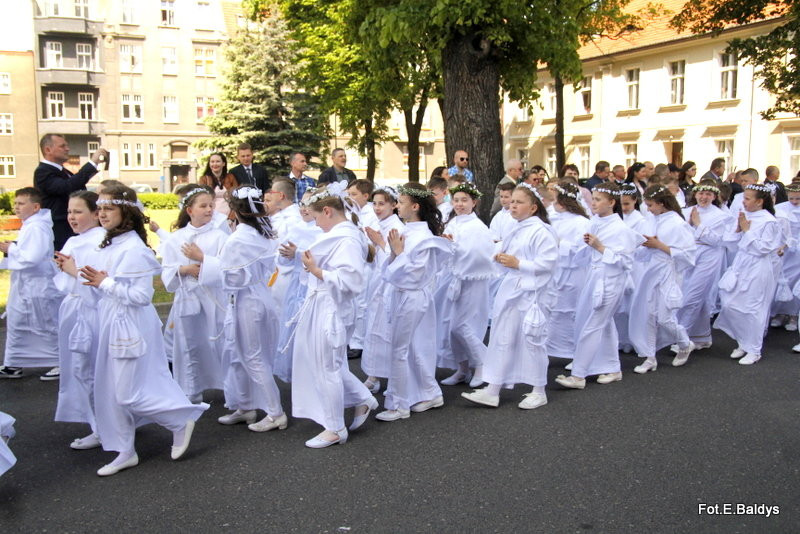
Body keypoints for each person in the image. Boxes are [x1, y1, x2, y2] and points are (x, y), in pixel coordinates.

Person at [81, 184, 208, 476]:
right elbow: (104, 284)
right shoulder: (111, 244)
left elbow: (140, 296)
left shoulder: (134, 249)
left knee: (127, 393)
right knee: (111, 389)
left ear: (125, 212)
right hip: (112, 319)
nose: (102, 214)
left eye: (109, 208)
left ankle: (179, 420)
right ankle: (125, 450)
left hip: (129, 325)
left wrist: (105, 283)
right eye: (100, 209)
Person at [290, 183, 379, 447]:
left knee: (327, 367)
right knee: (327, 364)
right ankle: (362, 398)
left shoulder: (346, 238)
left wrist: (317, 271)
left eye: (316, 217)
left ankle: (335, 428)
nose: (316, 223)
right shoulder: (341, 234)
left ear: (327, 211)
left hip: (332, 309)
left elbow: (351, 279)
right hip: (323, 305)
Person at [462, 183, 557, 410]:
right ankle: (493, 389)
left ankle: (539, 390)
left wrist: (518, 263)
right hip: (512, 290)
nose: (513, 205)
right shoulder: (516, 228)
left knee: (533, 341)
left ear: (533, 208)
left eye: (519, 202)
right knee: (503, 337)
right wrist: (500, 258)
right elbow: (507, 255)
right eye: (512, 201)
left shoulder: (541, 231)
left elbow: (548, 264)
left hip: (532, 294)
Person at [555, 183, 644, 390]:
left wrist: (600, 247)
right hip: (594, 277)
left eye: (597, 199)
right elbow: (585, 254)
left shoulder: (620, 229)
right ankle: (613, 368)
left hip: (610, 280)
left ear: (611, 202)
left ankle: (578, 374)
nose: (592, 203)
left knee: (593, 324)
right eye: (592, 199)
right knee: (602, 323)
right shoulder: (595, 222)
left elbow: (625, 262)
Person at [375, 183, 452, 421]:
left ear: (415, 206)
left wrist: (398, 253)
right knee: (412, 347)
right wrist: (394, 253)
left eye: (401, 202)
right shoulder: (409, 231)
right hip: (404, 294)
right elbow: (390, 269)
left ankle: (399, 405)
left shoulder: (423, 237)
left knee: (399, 350)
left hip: (412, 296)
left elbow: (415, 275)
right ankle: (430, 393)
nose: (397, 206)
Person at [213, 186, 287, 433]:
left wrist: (207, 264)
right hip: (261, 295)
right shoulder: (262, 233)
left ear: (236, 210)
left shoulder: (238, 239)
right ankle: (245, 405)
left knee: (253, 357)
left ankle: (276, 413)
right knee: (243, 355)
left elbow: (230, 279)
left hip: (247, 301)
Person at [160, 188, 228, 403]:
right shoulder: (176, 238)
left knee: (217, 342)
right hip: (187, 297)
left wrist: (203, 260)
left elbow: (226, 266)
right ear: (189, 210)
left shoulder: (220, 237)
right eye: (203, 206)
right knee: (189, 344)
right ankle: (191, 389)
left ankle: (229, 388)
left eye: (211, 205)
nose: (209, 209)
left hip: (212, 298)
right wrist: (184, 269)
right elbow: (167, 269)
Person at [52, 191, 106, 449]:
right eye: (69, 212)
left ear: (96, 213)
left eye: (78, 211)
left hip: (91, 312)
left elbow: (96, 285)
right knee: (80, 369)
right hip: (74, 309)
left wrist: (73, 271)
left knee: (90, 369)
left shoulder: (101, 242)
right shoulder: (74, 241)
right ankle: (103, 423)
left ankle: (102, 427)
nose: (72, 217)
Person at [628, 185, 697, 372]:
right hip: (651, 271)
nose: (648, 209)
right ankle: (650, 357)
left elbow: (689, 255)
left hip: (669, 272)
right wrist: (643, 245)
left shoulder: (677, 223)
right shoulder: (651, 220)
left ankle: (684, 343)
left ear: (661, 203)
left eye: (651, 205)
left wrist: (659, 245)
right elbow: (643, 250)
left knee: (665, 317)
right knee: (649, 314)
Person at [714, 184, 782, 364]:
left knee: (753, 308)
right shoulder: (745, 216)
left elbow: (764, 248)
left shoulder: (769, 221)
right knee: (730, 303)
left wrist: (747, 231)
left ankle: (754, 349)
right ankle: (743, 340)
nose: (743, 202)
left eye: (747, 199)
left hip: (758, 266)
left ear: (759, 202)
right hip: (741, 263)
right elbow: (730, 243)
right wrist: (738, 230)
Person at [436, 182, 495, 388]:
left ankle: (482, 364)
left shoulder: (477, 227)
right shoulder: (454, 222)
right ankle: (462, 368)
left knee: (463, 326)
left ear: (474, 202)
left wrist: (453, 247)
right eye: (456, 200)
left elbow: (478, 254)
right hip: (454, 280)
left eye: (464, 200)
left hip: (471, 281)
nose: (459, 204)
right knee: (451, 327)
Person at [0, 188, 62, 380]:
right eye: (15, 203)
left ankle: (60, 361)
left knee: (44, 322)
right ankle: (14, 362)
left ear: (35, 207)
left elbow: (33, 257)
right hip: (25, 285)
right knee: (18, 322)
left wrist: (11, 248)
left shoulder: (37, 227)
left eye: (21, 203)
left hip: (37, 284)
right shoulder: (29, 225)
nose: (16, 207)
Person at [273, 189, 323, 382]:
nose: (303, 209)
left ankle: (310, 374)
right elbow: (282, 258)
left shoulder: (322, 231)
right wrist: (286, 255)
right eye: (302, 204)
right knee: (292, 326)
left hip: (312, 285)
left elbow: (318, 259)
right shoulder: (295, 228)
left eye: (308, 205)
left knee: (309, 331)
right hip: (296, 285)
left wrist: (297, 253)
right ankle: (297, 372)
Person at [676, 181, 730, 351]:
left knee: (692, 296)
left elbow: (717, 240)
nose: (704, 197)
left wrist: (698, 225)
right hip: (688, 255)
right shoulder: (686, 212)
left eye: (708, 194)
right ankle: (701, 336)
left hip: (709, 256)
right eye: (701, 193)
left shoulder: (721, 216)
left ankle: (683, 339)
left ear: (714, 196)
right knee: (696, 296)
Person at [361, 186, 405, 394]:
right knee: (374, 328)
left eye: (382, 204)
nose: (377, 208)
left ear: (393, 205)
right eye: (375, 204)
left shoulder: (396, 227)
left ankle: (387, 377)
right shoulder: (379, 224)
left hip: (389, 285)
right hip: (378, 282)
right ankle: (373, 375)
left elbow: (397, 258)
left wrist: (379, 242)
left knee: (385, 331)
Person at [34, 134, 107, 251]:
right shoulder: (42, 172)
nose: (67, 149)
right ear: (48, 150)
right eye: (62, 146)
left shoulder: (62, 170)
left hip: (73, 228)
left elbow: (75, 184)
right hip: (60, 231)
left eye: (67, 146)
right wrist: (93, 163)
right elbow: (67, 186)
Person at [545, 182, 591, 363]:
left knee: (572, 311)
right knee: (554, 312)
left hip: (573, 272)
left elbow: (583, 250)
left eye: (555, 199)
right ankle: (552, 349)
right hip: (554, 271)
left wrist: (561, 245)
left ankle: (575, 352)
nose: (552, 203)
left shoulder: (582, 222)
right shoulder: (551, 218)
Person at [346, 179, 381, 359]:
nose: (350, 198)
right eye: (348, 194)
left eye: (354, 194)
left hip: (365, 263)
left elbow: (372, 242)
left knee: (361, 303)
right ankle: (351, 337)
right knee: (351, 302)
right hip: (352, 262)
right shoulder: (350, 212)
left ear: (366, 196)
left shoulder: (370, 215)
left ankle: (358, 341)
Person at [772, 183, 800, 331]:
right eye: (791, 198)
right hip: (783, 249)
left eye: (798, 199)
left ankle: (793, 314)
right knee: (781, 280)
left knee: (794, 281)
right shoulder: (780, 208)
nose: (794, 201)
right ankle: (780, 312)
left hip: (797, 252)